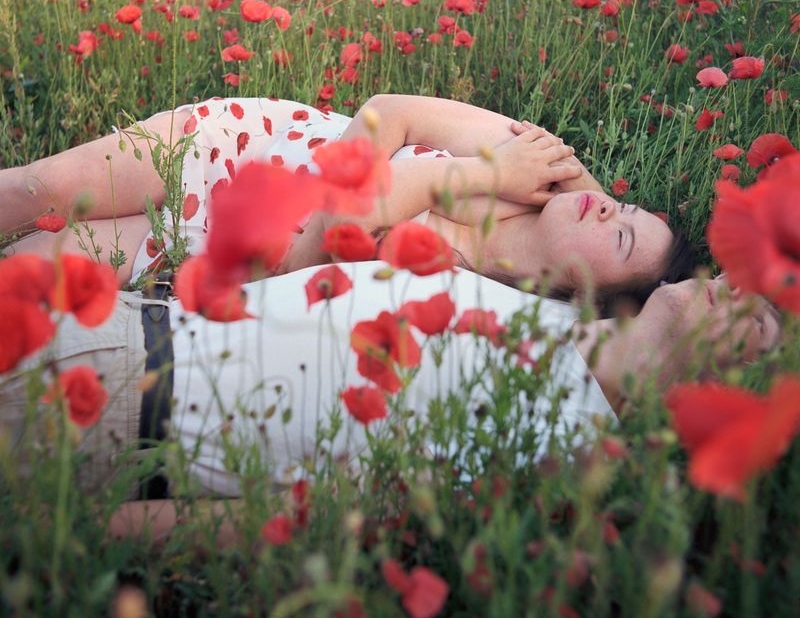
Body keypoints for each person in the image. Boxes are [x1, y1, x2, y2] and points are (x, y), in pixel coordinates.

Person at [0, 260, 781, 547]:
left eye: (767, 320)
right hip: (111, 317)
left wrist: (85, 538)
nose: (741, 285)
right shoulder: (556, 318)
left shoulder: (556, 457)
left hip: (103, 410)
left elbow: (306, 514)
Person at [1, 94, 694, 306]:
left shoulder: (477, 302)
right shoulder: (527, 159)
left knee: (23, 279)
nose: (610, 208)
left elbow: (330, 240)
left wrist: (479, 176)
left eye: (623, 236)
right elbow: (384, 110)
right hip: (239, 149)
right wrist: (511, 169)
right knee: (44, 189)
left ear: (587, 295)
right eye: (623, 206)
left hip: (207, 244)